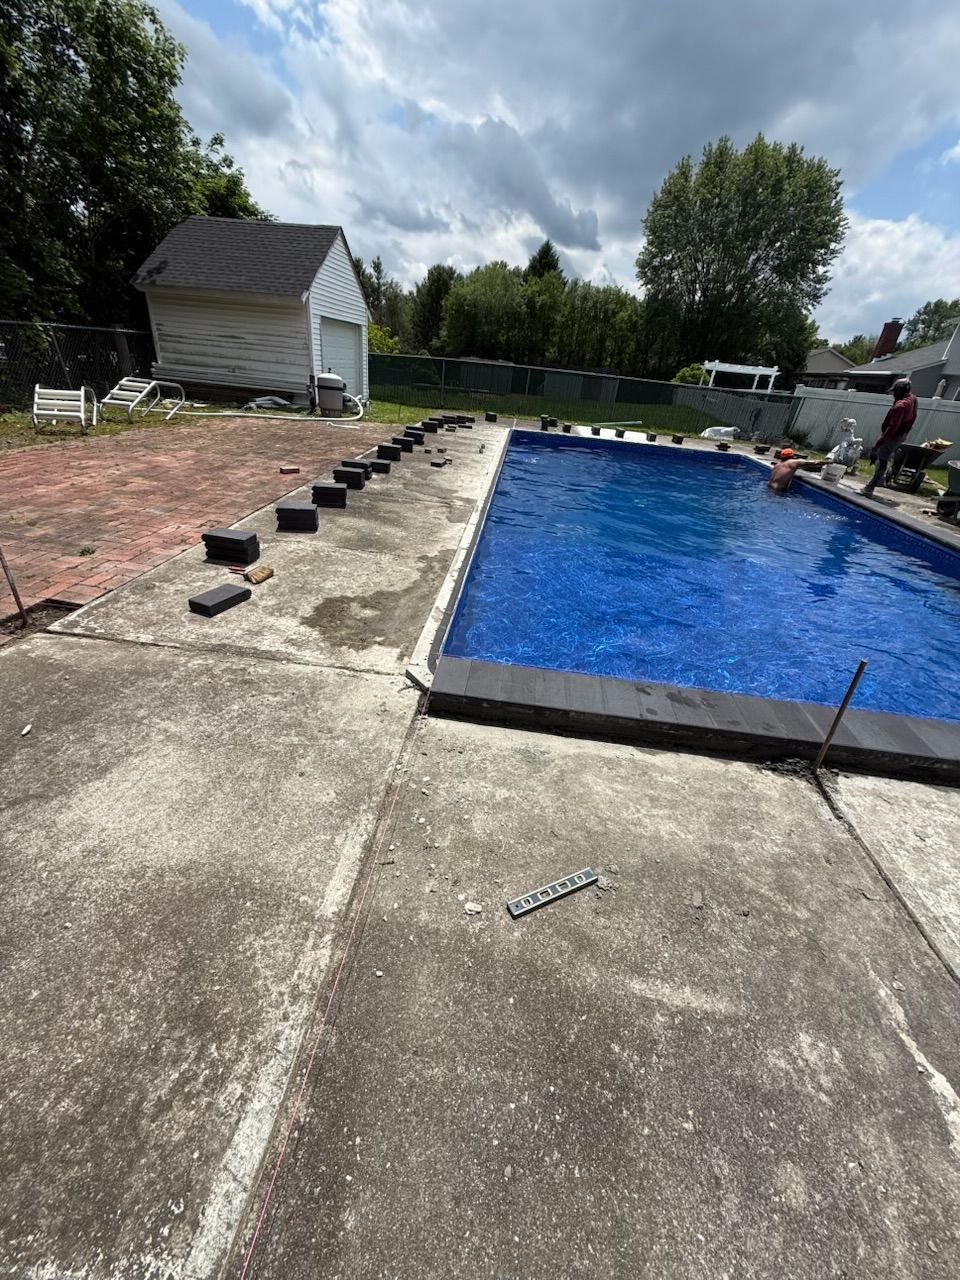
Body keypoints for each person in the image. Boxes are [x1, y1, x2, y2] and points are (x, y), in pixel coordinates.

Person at [863, 378, 918, 496]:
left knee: (881, 460)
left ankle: (869, 488)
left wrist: (877, 445)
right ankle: (880, 481)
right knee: (884, 458)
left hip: (892, 437)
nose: (893, 395)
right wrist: (905, 434)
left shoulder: (901, 405)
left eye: (895, 392)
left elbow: (892, 428)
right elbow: (913, 417)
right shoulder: (913, 399)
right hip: (900, 436)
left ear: (900, 390)